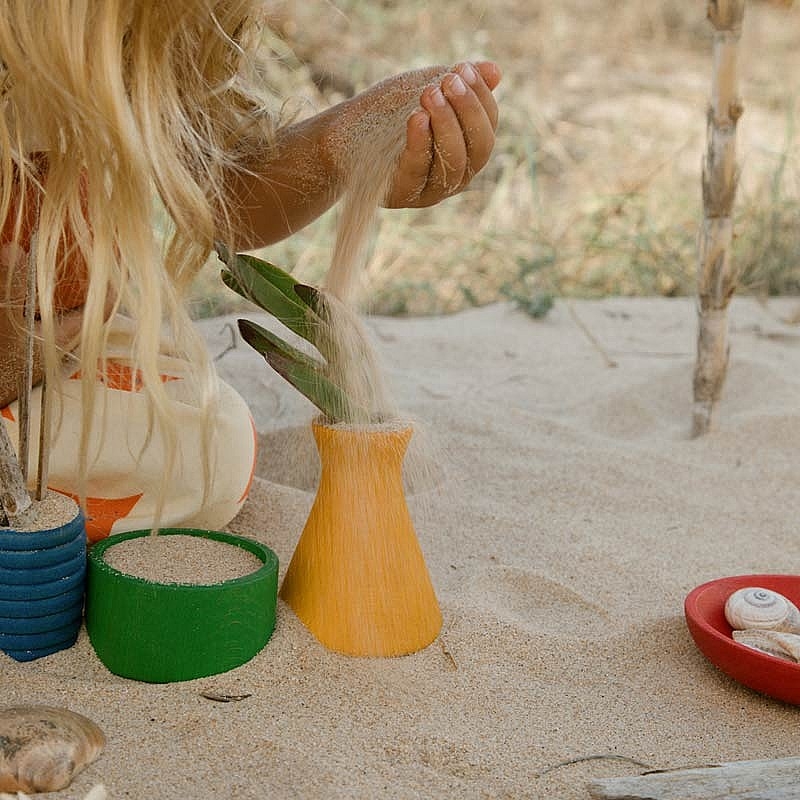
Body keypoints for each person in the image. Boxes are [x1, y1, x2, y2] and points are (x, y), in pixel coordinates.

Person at [0, 1, 500, 540]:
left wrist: (344, 142)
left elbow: (221, 192)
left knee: (206, 449)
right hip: (23, 350)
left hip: (61, 341)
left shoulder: (155, 21)